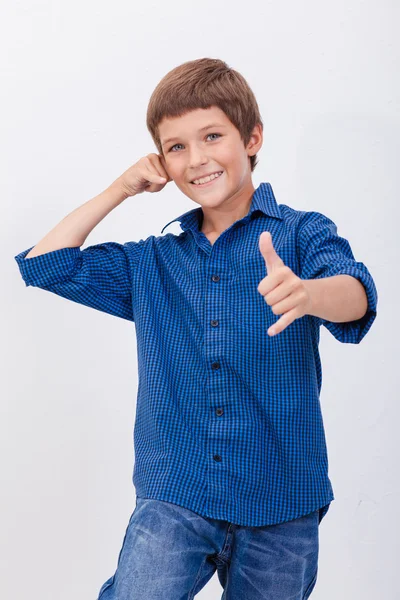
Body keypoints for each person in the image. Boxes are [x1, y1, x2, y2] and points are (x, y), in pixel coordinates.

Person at [14, 57, 378, 600]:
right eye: (176, 146)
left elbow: (357, 294)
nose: (197, 159)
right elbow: (46, 264)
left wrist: (307, 293)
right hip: (176, 495)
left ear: (252, 137)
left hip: (283, 499)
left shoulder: (302, 234)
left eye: (212, 136)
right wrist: (120, 188)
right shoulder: (153, 262)